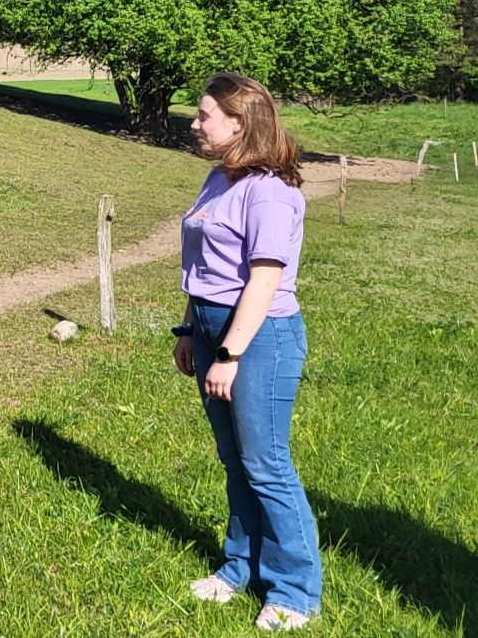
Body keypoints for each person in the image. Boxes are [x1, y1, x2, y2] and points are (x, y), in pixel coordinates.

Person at [173, 72, 321, 630]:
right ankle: (239, 568)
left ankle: (295, 590)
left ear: (240, 124)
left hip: (259, 338)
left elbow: (262, 279)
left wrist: (231, 355)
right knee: (236, 462)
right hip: (212, 329)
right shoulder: (219, 178)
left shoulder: (270, 192)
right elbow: (205, 269)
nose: (195, 123)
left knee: (267, 465)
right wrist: (190, 331)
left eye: (204, 114)